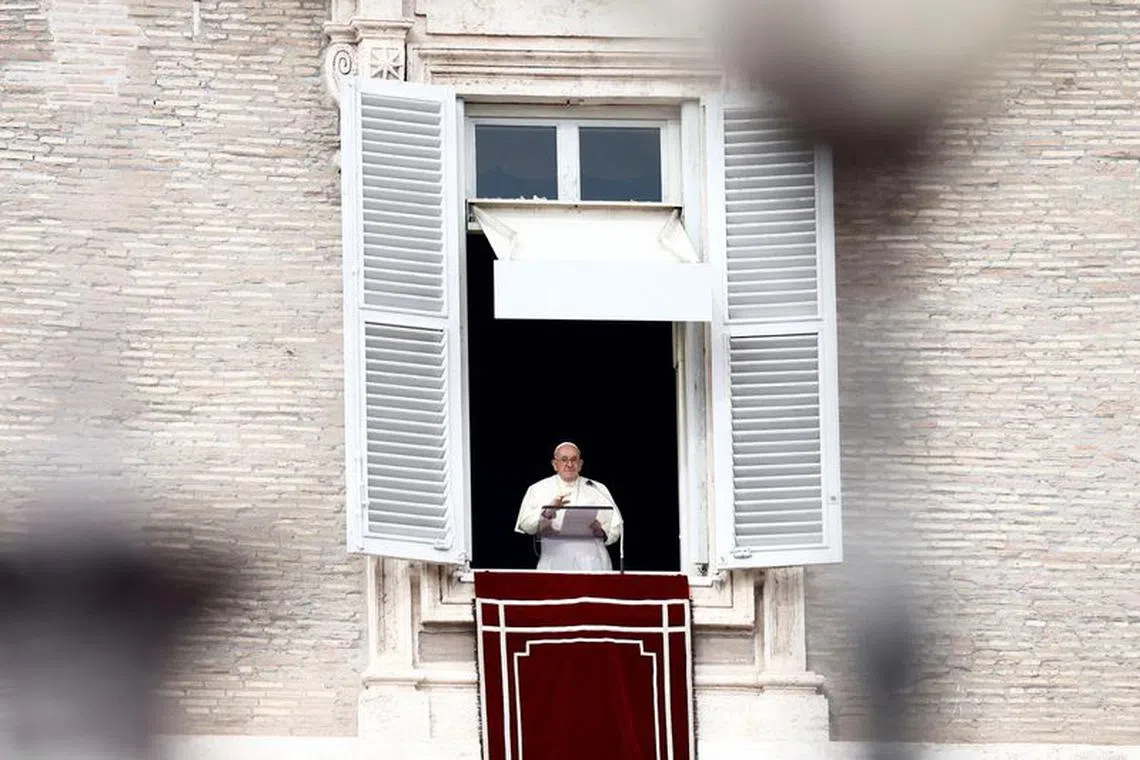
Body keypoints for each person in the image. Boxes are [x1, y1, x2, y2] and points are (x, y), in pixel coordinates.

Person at [514, 442, 624, 571]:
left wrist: (603, 532)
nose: (569, 464)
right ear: (555, 464)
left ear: (580, 464)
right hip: (554, 561)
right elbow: (525, 525)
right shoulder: (538, 489)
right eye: (564, 460)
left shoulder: (597, 488)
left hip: (593, 562)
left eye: (574, 459)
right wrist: (547, 512)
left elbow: (617, 524)